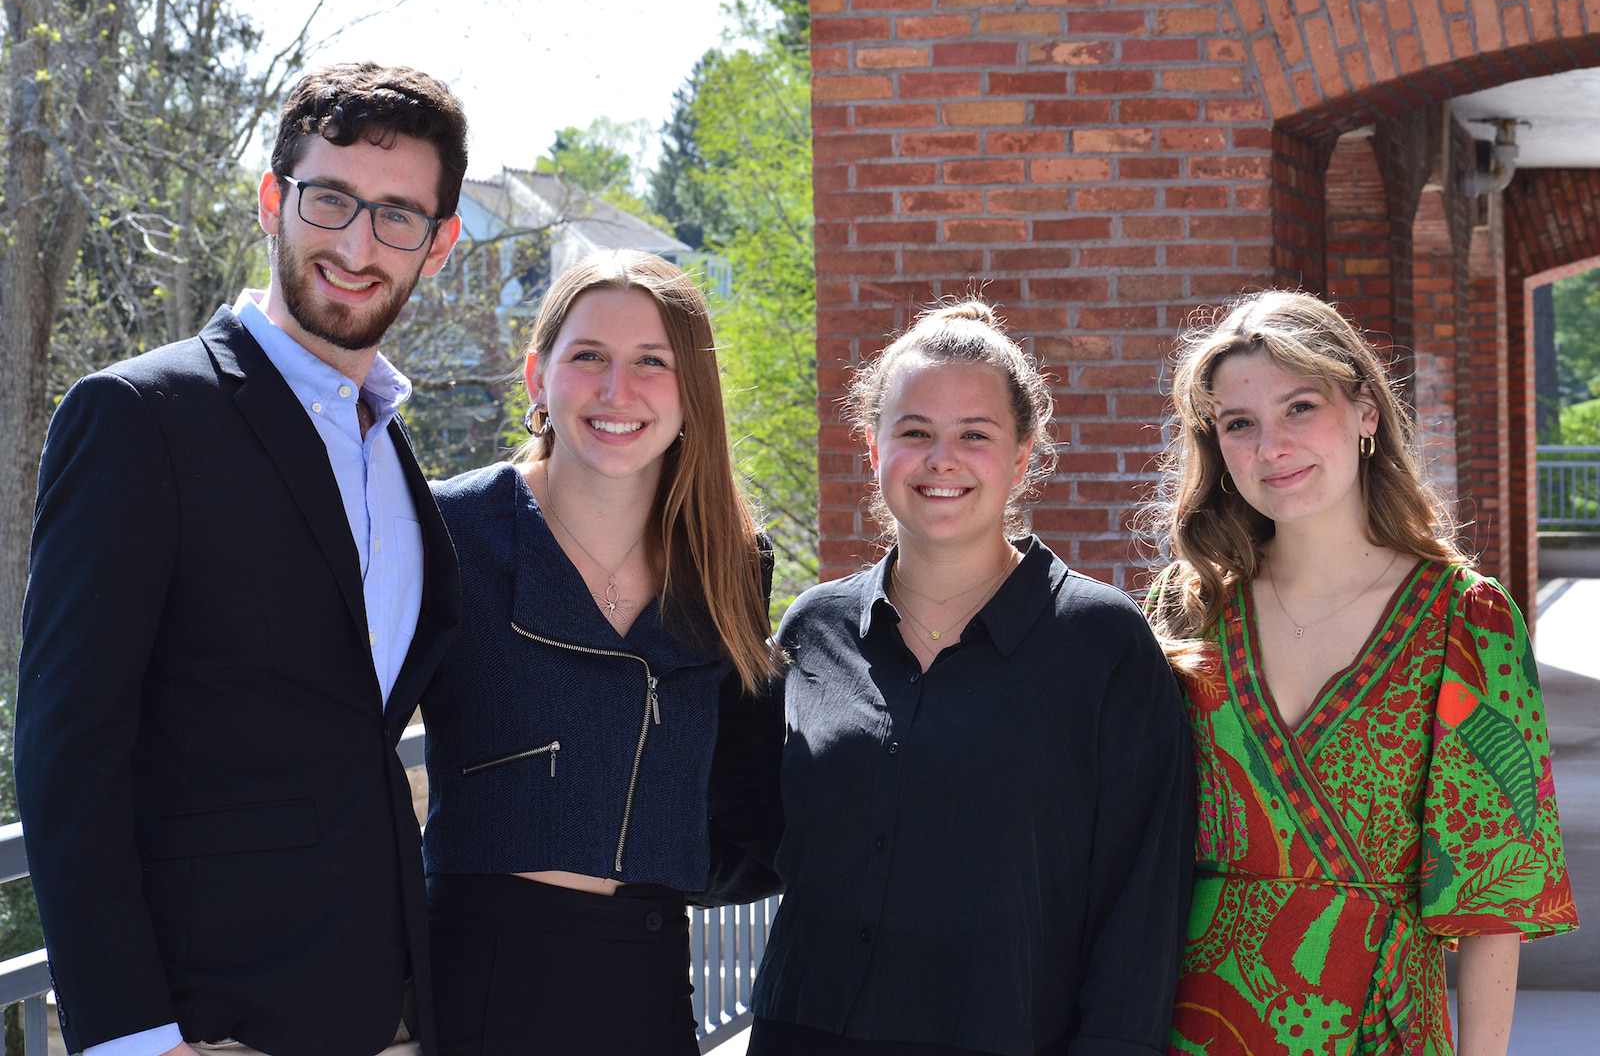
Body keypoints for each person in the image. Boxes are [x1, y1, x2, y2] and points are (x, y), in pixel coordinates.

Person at [15, 63, 469, 1056]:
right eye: (331, 199)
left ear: (439, 244)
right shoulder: (139, 417)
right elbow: (67, 752)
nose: (357, 244)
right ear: (274, 198)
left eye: (398, 216)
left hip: (388, 1006)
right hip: (208, 1022)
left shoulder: (389, 443)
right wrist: (132, 1034)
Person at [745, 300, 1194, 1056]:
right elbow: (747, 831)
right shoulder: (812, 629)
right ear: (873, 446)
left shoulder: (1101, 643)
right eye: (913, 431)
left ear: (1022, 456)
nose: (940, 459)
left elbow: (1141, 913)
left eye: (974, 436)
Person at [1140, 290, 1577, 1056]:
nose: (1271, 445)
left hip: (1377, 1022)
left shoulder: (1464, 620)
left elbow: (1492, 899)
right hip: (1194, 1021)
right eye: (1240, 424)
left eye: (1300, 408)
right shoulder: (1188, 608)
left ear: (1366, 411)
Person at [418, 249, 781, 1056]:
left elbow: (751, 792)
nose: (618, 391)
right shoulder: (450, 531)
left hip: (647, 974)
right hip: (477, 975)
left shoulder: (728, 556)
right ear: (537, 376)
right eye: (589, 357)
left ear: (693, 391)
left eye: (652, 362)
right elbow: (347, 758)